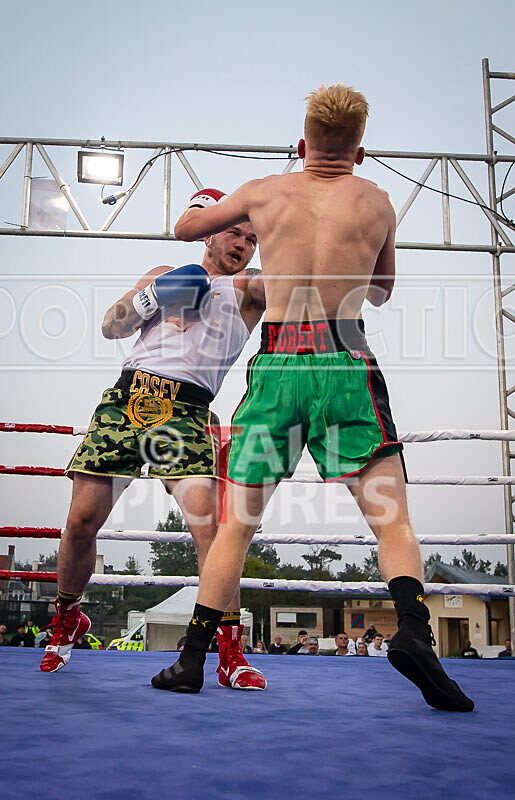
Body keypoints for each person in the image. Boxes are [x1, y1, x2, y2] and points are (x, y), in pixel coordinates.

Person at [151, 83, 474, 713]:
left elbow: (186, 225)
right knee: (392, 518)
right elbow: (381, 291)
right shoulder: (377, 200)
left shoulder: (267, 191)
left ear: (302, 144)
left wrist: (240, 217)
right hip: (346, 360)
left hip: (277, 365)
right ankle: (414, 632)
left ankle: (191, 659)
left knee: (236, 528)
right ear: (359, 150)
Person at [40, 189, 267, 692]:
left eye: (252, 239)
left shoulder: (250, 289)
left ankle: (229, 650)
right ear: (209, 231)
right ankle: (68, 616)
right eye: (234, 231)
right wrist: (154, 296)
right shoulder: (164, 273)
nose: (243, 244)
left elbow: (297, 281)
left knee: (209, 527)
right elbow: (110, 327)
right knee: (81, 520)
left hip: (186, 414)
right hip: (128, 398)